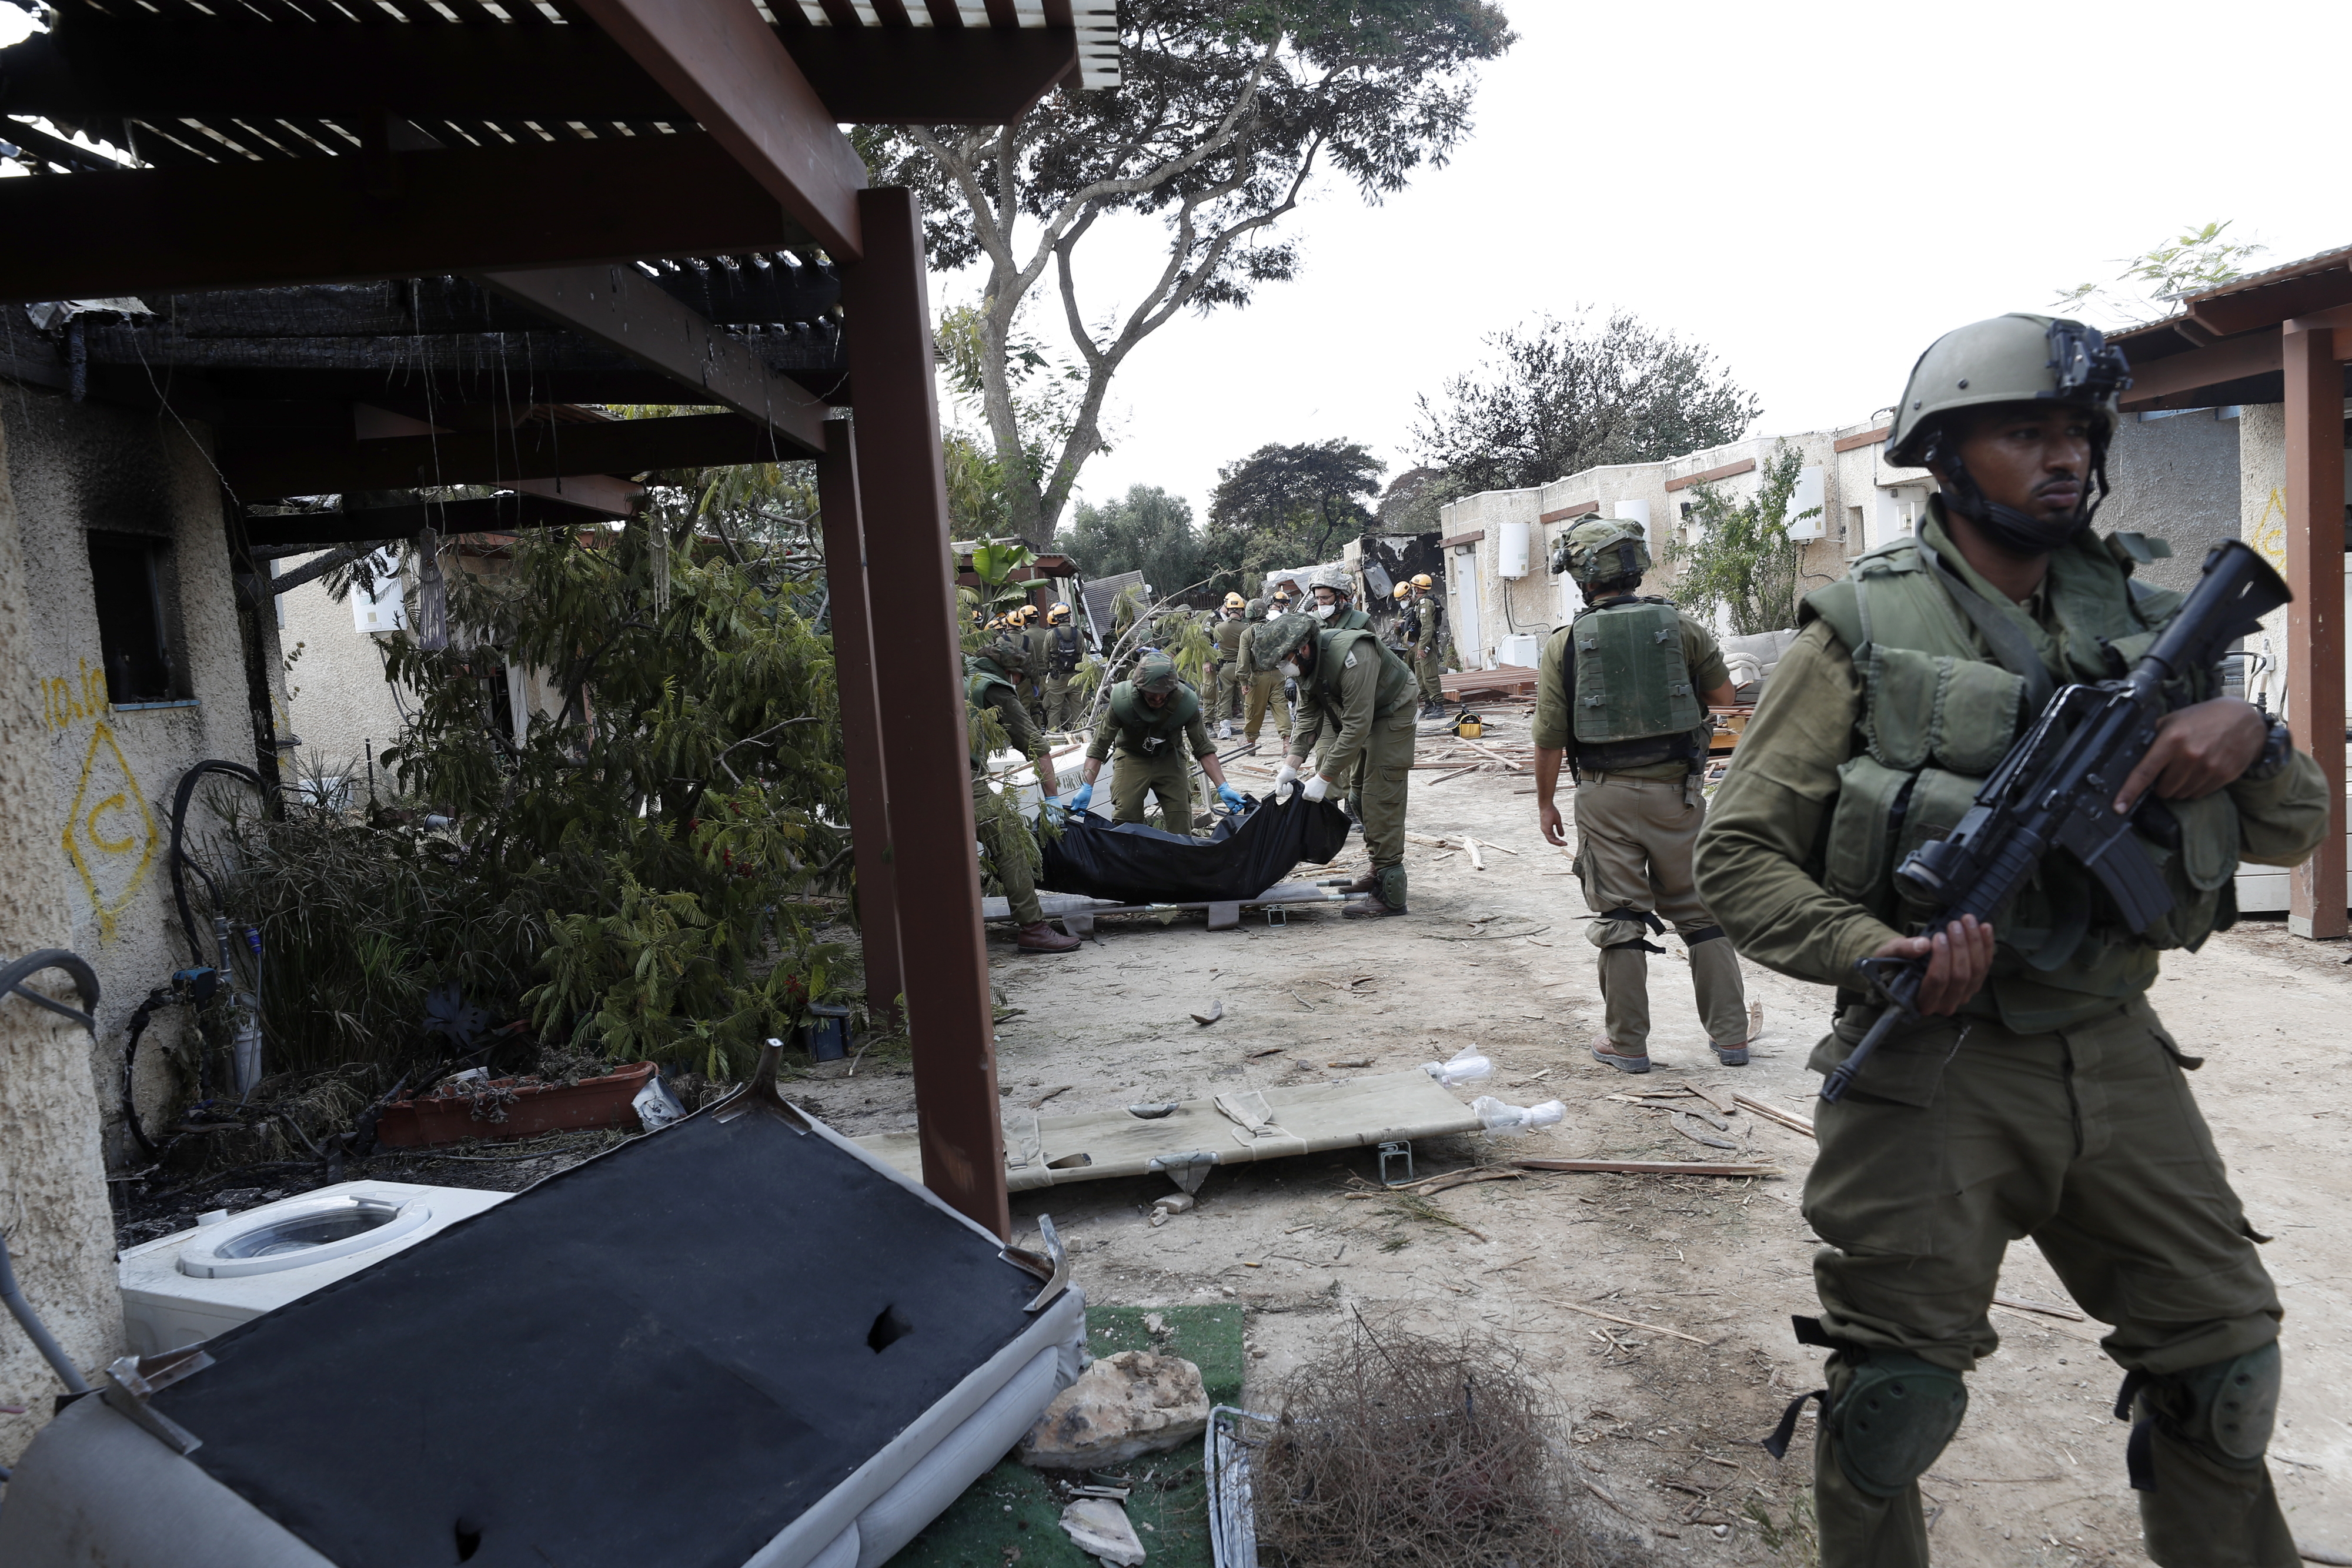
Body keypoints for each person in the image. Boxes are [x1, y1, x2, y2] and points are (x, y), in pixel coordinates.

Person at [1691, 313, 2328, 1568]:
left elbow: (2292, 832)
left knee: (2222, 1366)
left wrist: (2247, 737)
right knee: (1892, 1405)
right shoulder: (1861, 628)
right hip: (1930, 1061)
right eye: (2021, 432)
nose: (2058, 457)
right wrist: (1874, 949)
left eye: (2073, 434)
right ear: (1943, 455)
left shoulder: (2149, 617)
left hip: (2112, 1047)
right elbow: (1734, 858)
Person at [1531, 519, 1748, 1074]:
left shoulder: (1565, 644)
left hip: (1604, 798)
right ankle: (1731, 1038)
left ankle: (1628, 1044)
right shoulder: (1683, 626)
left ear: (1582, 577)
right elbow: (1723, 698)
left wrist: (1546, 802)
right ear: (1635, 566)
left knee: (1621, 916)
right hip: (1679, 795)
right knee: (1703, 915)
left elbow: (1550, 738)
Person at [1258, 610, 1416, 917]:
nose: (1282, 668)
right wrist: (1291, 765)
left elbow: (1357, 726)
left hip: (1393, 709)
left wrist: (1324, 777)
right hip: (1364, 712)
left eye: (1283, 660)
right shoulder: (1308, 666)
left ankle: (1392, 893)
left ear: (1302, 648)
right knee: (1357, 795)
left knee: (1380, 797)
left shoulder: (1353, 655)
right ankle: (1378, 868)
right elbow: (1306, 716)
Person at [965, 633, 1080, 954]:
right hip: (961, 781)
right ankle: (1033, 928)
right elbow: (1036, 746)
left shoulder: (961, 674)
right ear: (1013, 674)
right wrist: (1053, 798)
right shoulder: (995, 688)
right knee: (1010, 838)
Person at [1071, 651, 1244, 834]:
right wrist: (1086, 786)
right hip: (1131, 757)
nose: (1158, 698)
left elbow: (1203, 748)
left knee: (1181, 819)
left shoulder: (1186, 704)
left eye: (1164, 694)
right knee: (1126, 818)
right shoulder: (1123, 702)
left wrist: (1223, 786)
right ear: (1139, 687)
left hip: (1170, 757)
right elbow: (1099, 747)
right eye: (1152, 694)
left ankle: (1179, 859)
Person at [1237, 597, 1292, 752]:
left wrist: (1243, 681)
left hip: (1258, 677)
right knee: (1281, 708)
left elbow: (1243, 660)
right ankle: (1287, 743)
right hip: (1279, 675)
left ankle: (1250, 744)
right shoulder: (1276, 628)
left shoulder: (1247, 633)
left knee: (1253, 710)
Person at [1040, 602, 1088, 733]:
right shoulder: (1078, 633)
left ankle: (1054, 738)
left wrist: (1050, 669)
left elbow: (1045, 655)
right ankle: (1081, 734)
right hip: (1076, 676)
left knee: (1055, 709)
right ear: (1069, 618)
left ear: (1055, 619)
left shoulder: (1050, 634)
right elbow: (1083, 654)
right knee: (1078, 707)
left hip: (1057, 677)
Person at [1408, 573, 1448, 717]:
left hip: (1427, 645)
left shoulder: (1425, 604)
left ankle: (1439, 707)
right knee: (1420, 676)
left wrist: (1422, 647)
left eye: (1413, 587)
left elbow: (1427, 627)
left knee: (1430, 676)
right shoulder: (1418, 603)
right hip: (1420, 644)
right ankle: (1429, 704)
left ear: (1418, 588)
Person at [1210, 591, 1248, 739]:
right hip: (1241, 668)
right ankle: (1250, 727)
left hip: (1225, 668)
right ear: (1241, 610)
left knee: (1225, 698)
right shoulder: (1245, 629)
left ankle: (1224, 730)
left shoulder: (1219, 627)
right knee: (1246, 698)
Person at [1309, 567, 1371, 631]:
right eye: (1317, 598)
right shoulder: (1311, 623)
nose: (1320, 603)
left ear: (1340, 598)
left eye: (1325, 598)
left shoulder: (1361, 621)